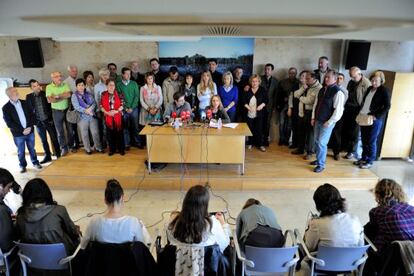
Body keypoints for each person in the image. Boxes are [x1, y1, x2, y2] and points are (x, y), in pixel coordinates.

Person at [16, 178, 80, 254]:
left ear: (26, 196)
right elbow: (72, 232)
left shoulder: (20, 216)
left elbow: (19, 236)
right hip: (62, 259)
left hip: (34, 260)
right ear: (47, 193)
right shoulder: (59, 210)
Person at [81, 179, 151, 249]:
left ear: (105, 200)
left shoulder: (94, 223)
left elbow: (83, 246)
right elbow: (142, 248)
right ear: (122, 198)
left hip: (101, 259)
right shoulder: (134, 222)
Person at [363, 179, 414, 274]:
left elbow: (369, 231)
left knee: (365, 233)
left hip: (392, 256)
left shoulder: (377, 211)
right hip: (411, 254)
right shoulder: (411, 208)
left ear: (378, 195)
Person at [167, 185, 230, 253]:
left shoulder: (173, 221)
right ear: (205, 205)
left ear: (186, 201)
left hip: (177, 262)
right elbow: (224, 244)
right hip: (206, 263)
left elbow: (169, 242)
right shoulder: (213, 224)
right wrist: (223, 224)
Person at [304, 183, 364, 254]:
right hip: (351, 263)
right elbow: (360, 246)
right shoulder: (354, 219)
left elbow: (309, 248)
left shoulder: (316, 224)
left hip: (323, 264)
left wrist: (308, 228)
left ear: (318, 205)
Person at [355, 71, 391, 169]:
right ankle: (363, 158)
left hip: (374, 119)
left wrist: (377, 116)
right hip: (364, 116)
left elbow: (387, 106)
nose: (373, 82)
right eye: (372, 80)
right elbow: (365, 102)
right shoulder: (370, 88)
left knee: (371, 140)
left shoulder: (384, 90)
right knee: (364, 139)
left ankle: (370, 161)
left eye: (376, 81)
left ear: (381, 81)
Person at [311, 70, 345, 173]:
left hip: (327, 123)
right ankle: (318, 159)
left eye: (328, 77)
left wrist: (329, 122)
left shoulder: (338, 92)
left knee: (322, 143)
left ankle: (321, 164)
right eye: (325, 77)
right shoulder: (321, 90)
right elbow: (315, 105)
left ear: (335, 79)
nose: (326, 79)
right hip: (318, 120)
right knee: (316, 141)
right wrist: (313, 117)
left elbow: (338, 111)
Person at [3, 87, 42, 173]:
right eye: (14, 91)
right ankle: (22, 166)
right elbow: (9, 123)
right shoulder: (6, 108)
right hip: (18, 134)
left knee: (32, 148)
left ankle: (35, 163)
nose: (17, 92)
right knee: (21, 151)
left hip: (30, 131)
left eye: (16, 90)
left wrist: (30, 127)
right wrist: (22, 130)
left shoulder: (25, 103)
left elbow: (32, 115)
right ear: (9, 95)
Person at [26, 79, 60, 163]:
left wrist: (51, 119)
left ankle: (59, 155)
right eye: (34, 86)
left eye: (37, 85)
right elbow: (29, 111)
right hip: (38, 123)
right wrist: (34, 122)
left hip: (48, 120)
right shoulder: (29, 97)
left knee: (54, 138)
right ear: (31, 88)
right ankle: (47, 156)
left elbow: (51, 106)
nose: (37, 87)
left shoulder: (45, 94)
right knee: (44, 140)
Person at [343, 67, 371, 160]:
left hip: (358, 109)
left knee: (354, 132)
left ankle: (352, 152)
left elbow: (368, 99)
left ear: (360, 74)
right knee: (348, 130)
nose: (352, 78)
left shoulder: (366, 83)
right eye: (351, 76)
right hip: (348, 108)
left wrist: (363, 111)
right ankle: (347, 148)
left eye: (354, 77)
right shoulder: (351, 82)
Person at [293, 71, 322, 160]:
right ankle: (300, 149)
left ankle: (309, 152)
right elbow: (295, 94)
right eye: (305, 78)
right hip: (302, 112)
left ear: (314, 79)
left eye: (308, 78)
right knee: (301, 132)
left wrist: (300, 98)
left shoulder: (318, 88)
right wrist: (303, 89)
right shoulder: (306, 86)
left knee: (310, 134)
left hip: (310, 113)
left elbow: (309, 101)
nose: (306, 80)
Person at [46, 71, 76, 156]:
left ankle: (71, 146)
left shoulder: (65, 85)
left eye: (60, 76)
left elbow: (68, 95)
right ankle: (63, 148)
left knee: (70, 130)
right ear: (53, 78)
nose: (59, 78)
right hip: (56, 112)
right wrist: (62, 96)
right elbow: (50, 100)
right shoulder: (49, 87)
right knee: (60, 132)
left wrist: (57, 96)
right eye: (57, 76)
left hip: (67, 110)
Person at [71, 78, 103, 154]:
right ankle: (87, 149)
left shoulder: (88, 94)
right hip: (82, 118)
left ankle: (98, 147)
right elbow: (76, 106)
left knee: (95, 133)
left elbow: (94, 103)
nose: (81, 87)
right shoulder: (74, 96)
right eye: (79, 85)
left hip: (92, 116)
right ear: (76, 86)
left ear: (85, 86)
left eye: (82, 85)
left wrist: (90, 110)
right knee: (84, 134)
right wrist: (86, 110)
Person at [116, 67, 142, 150]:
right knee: (125, 127)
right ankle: (127, 144)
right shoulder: (119, 85)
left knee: (135, 126)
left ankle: (137, 142)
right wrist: (125, 108)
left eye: (129, 74)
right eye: (126, 74)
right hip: (124, 109)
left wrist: (131, 107)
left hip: (134, 108)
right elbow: (119, 98)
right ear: (122, 74)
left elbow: (136, 96)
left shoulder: (134, 83)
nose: (128, 75)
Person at [244, 74, 268, 152]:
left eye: (256, 81)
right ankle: (250, 143)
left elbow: (266, 100)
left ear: (259, 82)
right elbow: (243, 101)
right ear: (251, 82)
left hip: (259, 113)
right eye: (253, 81)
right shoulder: (247, 90)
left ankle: (260, 144)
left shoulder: (262, 90)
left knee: (259, 129)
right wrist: (248, 108)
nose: (254, 83)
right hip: (249, 112)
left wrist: (261, 106)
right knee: (250, 128)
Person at [101, 79, 125, 156]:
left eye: (113, 85)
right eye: (110, 85)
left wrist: (116, 111)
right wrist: (107, 112)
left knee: (119, 133)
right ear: (107, 86)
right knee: (110, 134)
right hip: (108, 117)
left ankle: (121, 149)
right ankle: (112, 149)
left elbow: (122, 105)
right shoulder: (103, 94)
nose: (111, 87)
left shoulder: (119, 94)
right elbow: (101, 106)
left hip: (117, 116)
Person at [276, 67, 299, 147]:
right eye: (290, 73)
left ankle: (286, 140)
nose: (292, 74)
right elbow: (278, 94)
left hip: (293, 107)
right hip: (283, 105)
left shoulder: (298, 83)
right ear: (288, 73)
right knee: (281, 123)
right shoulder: (283, 82)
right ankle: (281, 139)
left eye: (293, 73)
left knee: (289, 124)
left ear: (296, 74)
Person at [329, 72, 349, 160]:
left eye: (340, 78)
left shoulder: (344, 91)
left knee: (337, 133)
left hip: (338, 114)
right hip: (328, 113)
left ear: (343, 80)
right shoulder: (330, 88)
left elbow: (341, 104)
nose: (338, 80)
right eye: (337, 78)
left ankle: (336, 153)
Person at [260, 63, 278, 146]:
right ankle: (259, 139)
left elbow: (276, 95)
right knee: (259, 122)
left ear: (272, 71)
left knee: (267, 123)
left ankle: (265, 139)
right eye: (265, 69)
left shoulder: (275, 81)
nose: (266, 71)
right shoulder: (260, 79)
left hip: (270, 106)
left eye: (268, 69)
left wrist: (274, 107)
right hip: (259, 105)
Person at [0, 168, 17, 253]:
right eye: (8, 187)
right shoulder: (2, 210)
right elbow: (6, 244)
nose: (9, 190)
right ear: (0, 186)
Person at [94, 68, 110, 149]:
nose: (105, 76)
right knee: (104, 129)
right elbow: (97, 99)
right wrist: (99, 110)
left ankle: (111, 144)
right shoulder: (97, 86)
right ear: (100, 76)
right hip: (102, 110)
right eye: (103, 75)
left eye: (107, 74)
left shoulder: (111, 84)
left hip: (112, 110)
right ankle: (104, 145)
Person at [287, 68, 301, 151]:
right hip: (295, 109)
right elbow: (291, 96)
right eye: (301, 77)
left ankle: (300, 145)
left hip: (303, 110)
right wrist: (290, 108)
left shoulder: (308, 86)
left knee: (300, 128)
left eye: (304, 77)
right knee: (294, 127)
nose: (302, 78)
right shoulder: (295, 85)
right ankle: (294, 143)